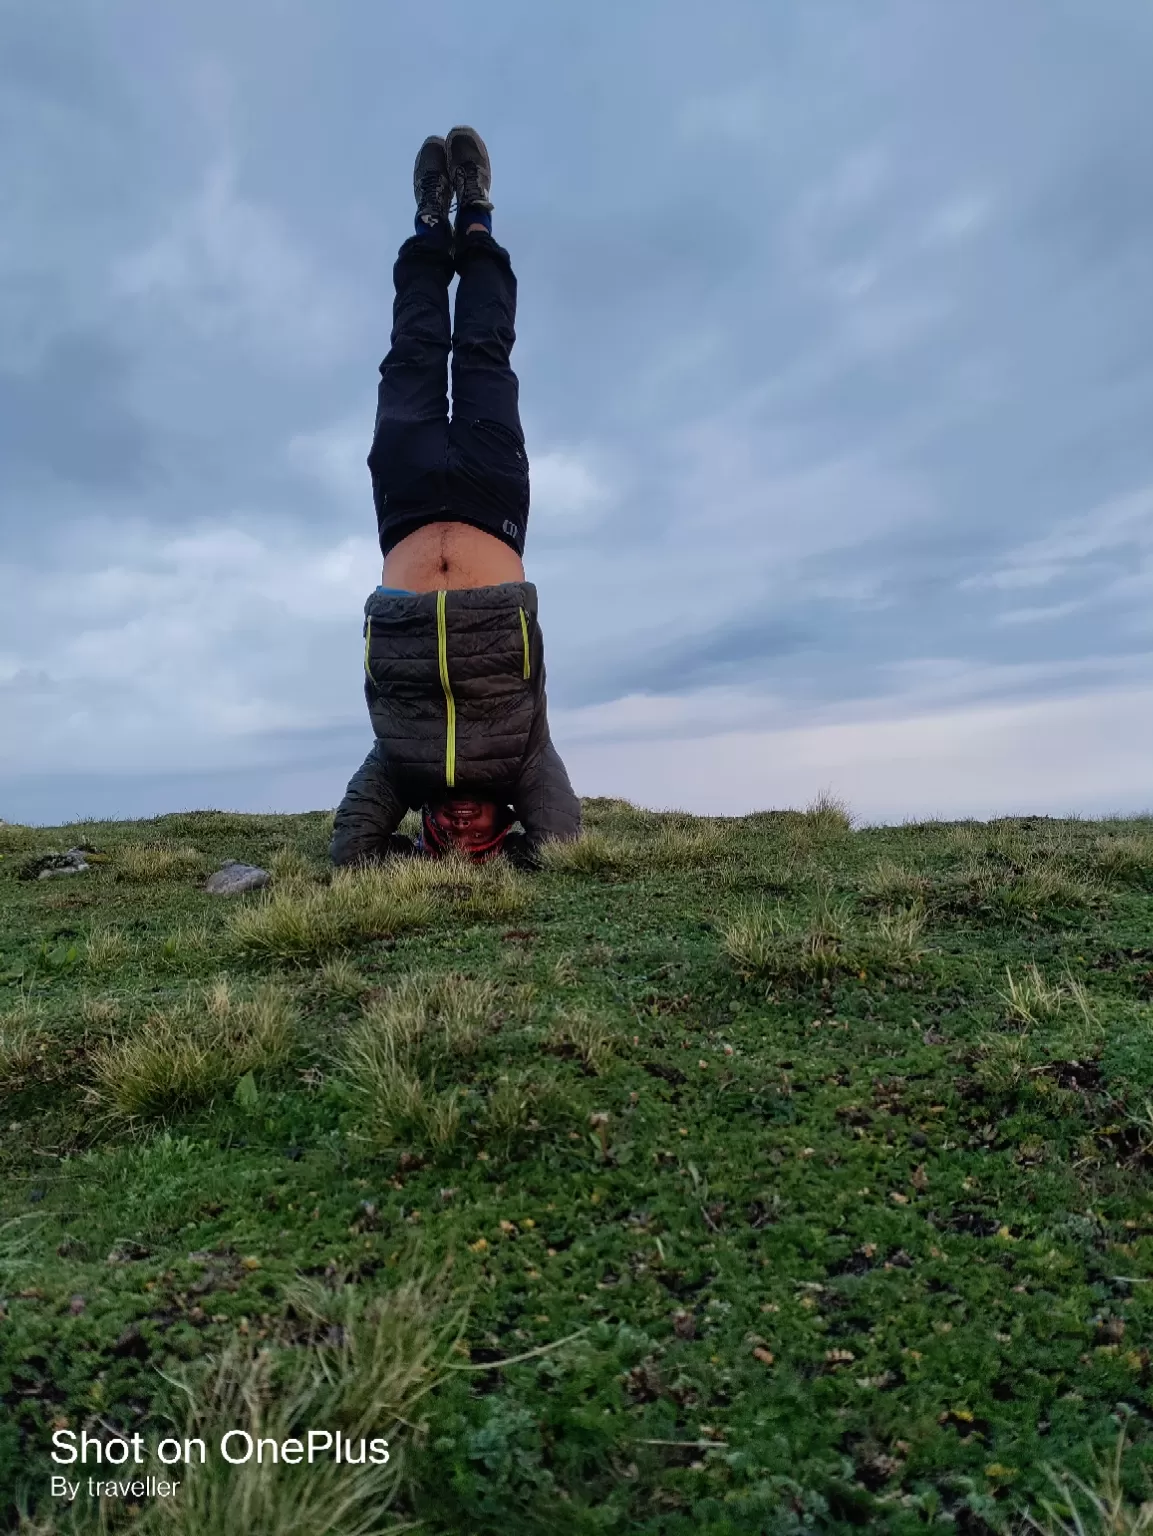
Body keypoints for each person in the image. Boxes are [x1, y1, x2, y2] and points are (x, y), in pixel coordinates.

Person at [330, 127, 580, 867]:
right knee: (481, 355)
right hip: (490, 496)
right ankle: (477, 216)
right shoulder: (525, 757)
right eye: (485, 833)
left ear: (431, 831)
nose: (469, 824)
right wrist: (500, 868)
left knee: (409, 356)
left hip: (404, 507)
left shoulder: (396, 766)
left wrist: (426, 870)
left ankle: (426, 222)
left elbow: (352, 852)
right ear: (504, 822)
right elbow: (561, 842)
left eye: (456, 837)